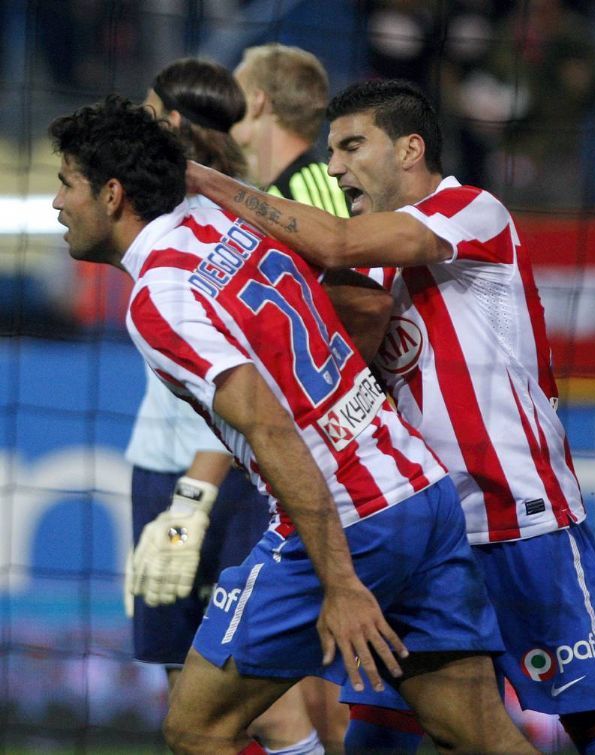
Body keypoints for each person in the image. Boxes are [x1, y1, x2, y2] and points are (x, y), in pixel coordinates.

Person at [49, 94, 537, 755]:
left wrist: (339, 583)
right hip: (419, 488)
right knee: (477, 732)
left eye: (66, 183)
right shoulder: (219, 215)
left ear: (111, 194)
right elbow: (364, 301)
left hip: (350, 517)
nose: (56, 203)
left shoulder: (158, 297)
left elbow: (274, 431)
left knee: (195, 724)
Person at [185, 78, 595, 755]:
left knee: (590, 721)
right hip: (429, 534)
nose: (336, 166)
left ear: (411, 148)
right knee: (383, 737)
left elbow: (341, 242)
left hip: (525, 520)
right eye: (330, 151)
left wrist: (203, 181)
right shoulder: (367, 277)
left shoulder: (472, 210)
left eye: (351, 146)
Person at [125, 57, 324, 754]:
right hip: (162, 465)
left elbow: (249, 382)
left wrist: (192, 497)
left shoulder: (226, 215)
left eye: (147, 111)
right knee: (190, 695)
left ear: (171, 122)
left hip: (224, 478)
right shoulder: (173, 212)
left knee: (261, 694)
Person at [231, 42, 351, 748]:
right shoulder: (294, 192)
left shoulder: (306, 193)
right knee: (309, 665)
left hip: (335, 462)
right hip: (305, 460)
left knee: (336, 667)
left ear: (257, 102)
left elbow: (356, 311)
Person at [231, 43, 348, 217]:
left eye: (234, 93)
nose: (224, 105)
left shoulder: (310, 189)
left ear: (257, 102)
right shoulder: (273, 193)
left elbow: (336, 244)